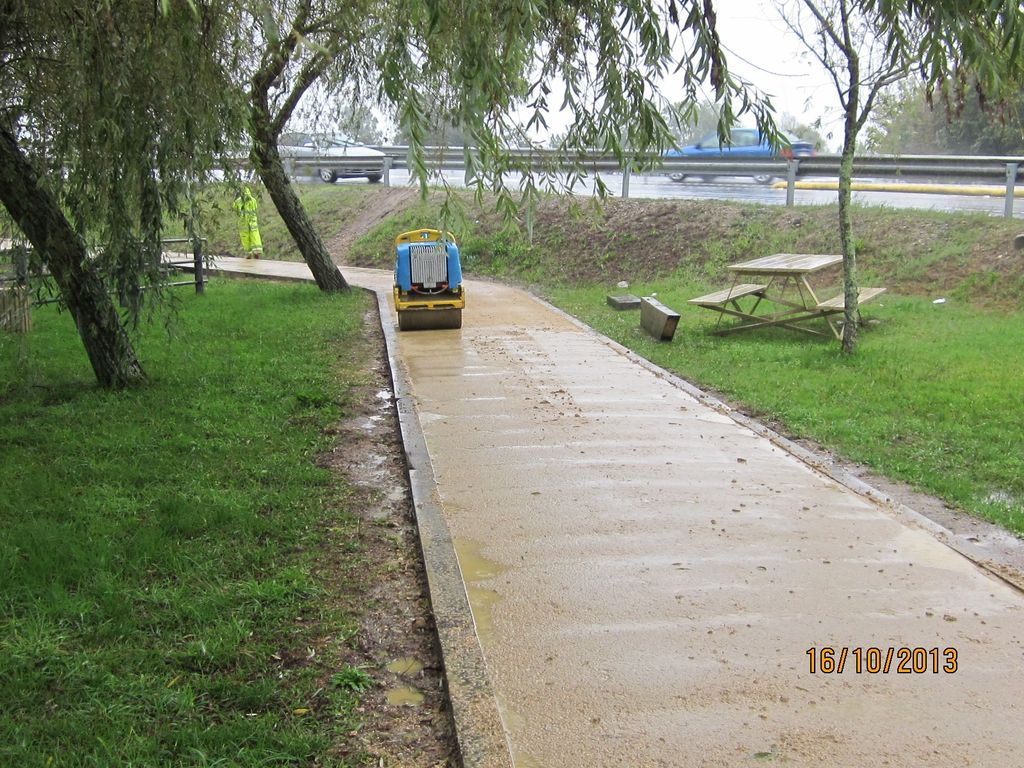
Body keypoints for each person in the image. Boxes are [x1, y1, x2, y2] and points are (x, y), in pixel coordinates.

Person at [233, 186, 263, 259]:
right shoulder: (253, 200)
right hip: (253, 222)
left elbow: (235, 209)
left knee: (245, 239)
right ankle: (256, 253)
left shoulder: (237, 201)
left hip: (243, 223)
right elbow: (255, 208)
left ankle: (248, 254)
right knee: (255, 237)